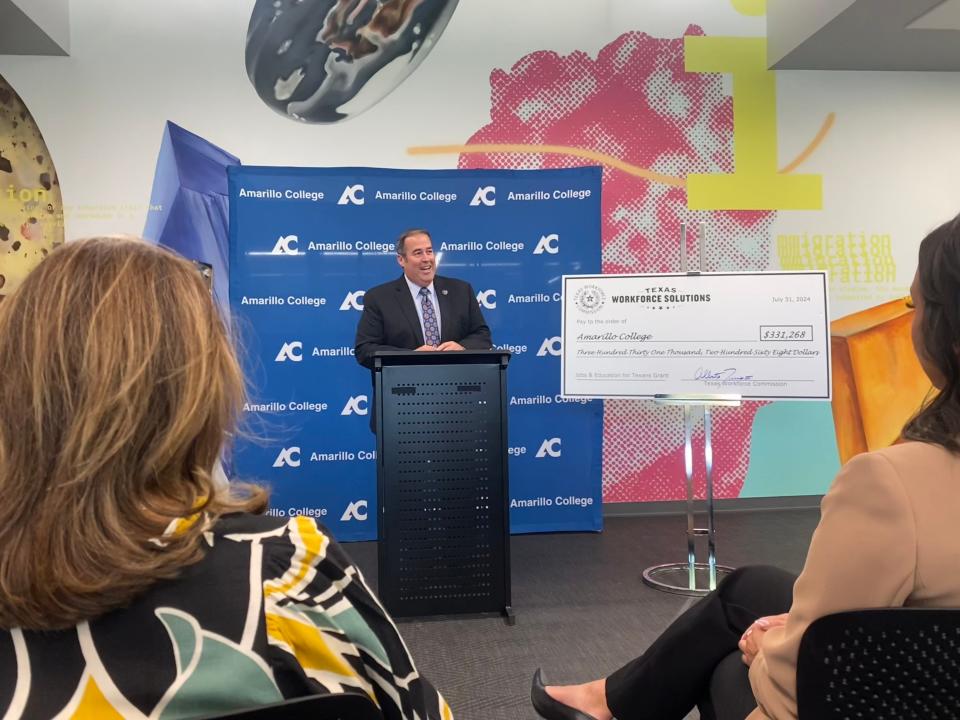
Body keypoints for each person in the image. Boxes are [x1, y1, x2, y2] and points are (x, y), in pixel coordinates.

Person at [0, 237, 453, 720]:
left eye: (430, 251)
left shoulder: (457, 294)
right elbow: (415, 709)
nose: (426, 258)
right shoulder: (285, 573)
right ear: (202, 385)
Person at [530, 214, 960, 720]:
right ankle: (609, 700)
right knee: (749, 589)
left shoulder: (891, 482)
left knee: (729, 663)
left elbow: (804, 679)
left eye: (916, 305)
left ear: (945, 329)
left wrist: (764, 651)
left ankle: (617, 705)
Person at [354, 227, 492, 368]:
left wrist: (462, 347)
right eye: (418, 253)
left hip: (457, 382)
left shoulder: (461, 291)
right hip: (404, 385)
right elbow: (365, 350)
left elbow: (482, 335)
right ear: (401, 260)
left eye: (429, 251)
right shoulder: (379, 298)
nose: (426, 259)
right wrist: (410, 356)